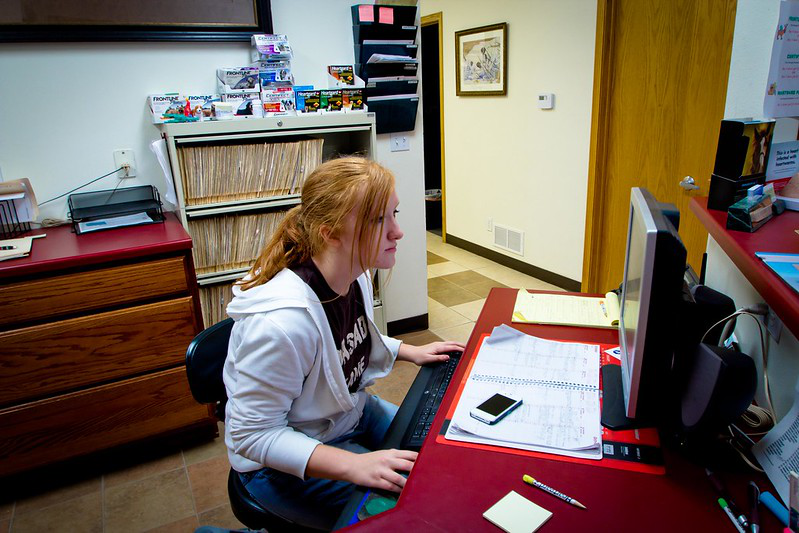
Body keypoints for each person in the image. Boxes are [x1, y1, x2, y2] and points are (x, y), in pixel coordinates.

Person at [223, 156, 465, 530]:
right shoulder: (280, 326)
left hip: (347, 415)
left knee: (437, 456)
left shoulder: (354, 276)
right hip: (277, 466)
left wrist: (406, 350)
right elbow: (252, 436)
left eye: (394, 214)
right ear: (330, 233)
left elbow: (348, 337)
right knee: (409, 512)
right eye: (378, 220)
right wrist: (355, 465)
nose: (398, 232)